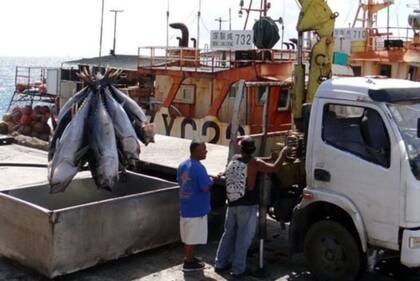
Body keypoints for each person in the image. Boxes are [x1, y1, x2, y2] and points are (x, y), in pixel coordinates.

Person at [214, 136, 289, 278]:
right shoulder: (254, 163)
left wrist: (269, 157)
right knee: (244, 237)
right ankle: (238, 269)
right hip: (246, 204)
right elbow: (275, 168)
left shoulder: (235, 158)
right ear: (253, 149)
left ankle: (220, 263)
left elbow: (259, 161)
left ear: (241, 149)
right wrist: (283, 153)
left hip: (232, 202)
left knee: (228, 233)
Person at [177, 140, 214, 272]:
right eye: (204, 149)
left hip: (186, 206)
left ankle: (190, 258)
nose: (206, 151)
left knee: (188, 236)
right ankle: (188, 262)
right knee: (191, 238)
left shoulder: (182, 164)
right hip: (196, 209)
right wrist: (211, 181)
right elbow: (205, 187)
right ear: (197, 151)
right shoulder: (199, 168)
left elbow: (180, 181)